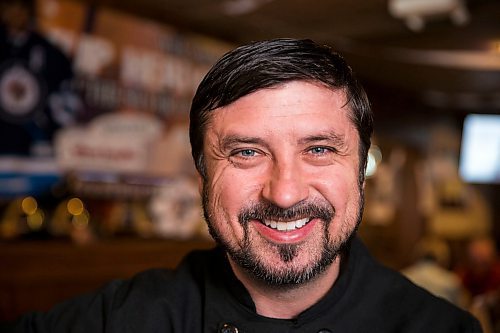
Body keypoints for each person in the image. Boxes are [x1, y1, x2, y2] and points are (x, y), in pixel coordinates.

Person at [1, 38, 482, 332]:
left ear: (359, 171)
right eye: (247, 153)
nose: (286, 193)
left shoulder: (438, 327)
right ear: (202, 176)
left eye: (318, 149)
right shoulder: (122, 319)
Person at [0, 0, 74, 156]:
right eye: (9, 8)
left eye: (21, 9)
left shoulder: (46, 51)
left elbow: (65, 85)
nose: (15, 14)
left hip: (31, 144)